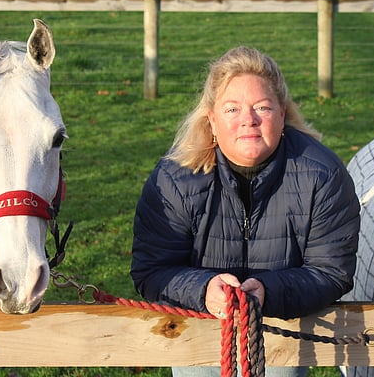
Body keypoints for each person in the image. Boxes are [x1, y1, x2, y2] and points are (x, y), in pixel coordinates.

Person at [131, 46, 360, 377]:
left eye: (262, 107)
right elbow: (152, 270)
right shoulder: (174, 179)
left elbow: (331, 271)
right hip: (198, 328)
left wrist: (268, 292)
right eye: (232, 109)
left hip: (283, 330)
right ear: (212, 120)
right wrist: (203, 290)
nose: (248, 120)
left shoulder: (322, 175)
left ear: (282, 114)